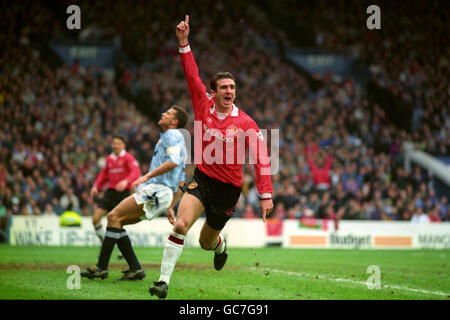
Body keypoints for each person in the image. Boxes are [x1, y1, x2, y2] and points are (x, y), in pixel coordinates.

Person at [149, 15, 274, 299]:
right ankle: (163, 282)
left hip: (228, 191)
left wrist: (265, 194)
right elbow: (192, 75)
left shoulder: (246, 123)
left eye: (232, 87)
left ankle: (220, 246)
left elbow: (261, 158)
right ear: (214, 92)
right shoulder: (203, 105)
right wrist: (184, 44)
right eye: (224, 88)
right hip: (203, 180)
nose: (229, 91)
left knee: (206, 242)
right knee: (181, 225)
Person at [81, 105, 188, 280]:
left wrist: (145, 177)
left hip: (157, 190)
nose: (163, 113)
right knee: (117, 220)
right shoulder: (172, 139)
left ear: (174, 121)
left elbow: (174, 162)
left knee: (113, 216)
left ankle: (101, 268)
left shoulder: (172, 135)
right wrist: (171, 205)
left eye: (168, 113)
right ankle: (135, 269)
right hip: (162, 193)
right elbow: (181, 177)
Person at [90, 135, 141, 257]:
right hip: (110, 193)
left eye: (118, 143)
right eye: (114, 143)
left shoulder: (128, 158)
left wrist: (126, 181)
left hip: (123, 194)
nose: (115, 145)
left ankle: (121, 249)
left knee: (117, 222)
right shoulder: (109, 159)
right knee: (95, 219)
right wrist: (96, 186)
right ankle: (105, 241)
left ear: (123, 145)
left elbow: (136, 172)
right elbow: (104, 174)